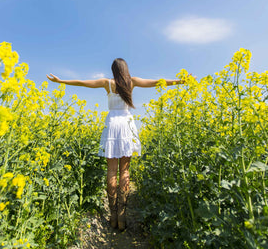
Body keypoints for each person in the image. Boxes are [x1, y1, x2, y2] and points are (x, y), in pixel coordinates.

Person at [46, 58, 183, 231]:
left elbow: (82, 83)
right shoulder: (131, 81)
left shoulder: (107, 83)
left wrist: (61, 81)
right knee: (125, 170)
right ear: (125, 69)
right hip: (126, 124)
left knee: (111, 171)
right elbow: (158, 82)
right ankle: (122, 217)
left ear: (113, 70)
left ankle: (112, 216)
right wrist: (181, 81)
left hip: (112, 125)